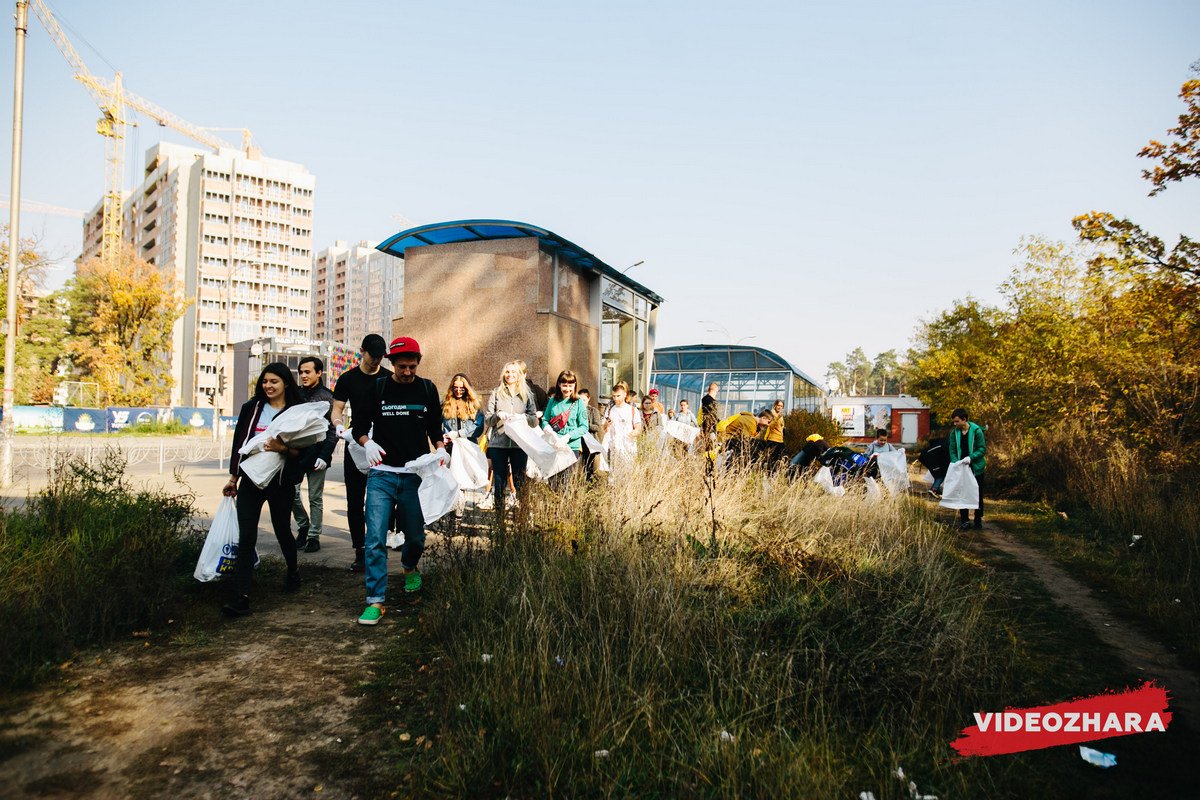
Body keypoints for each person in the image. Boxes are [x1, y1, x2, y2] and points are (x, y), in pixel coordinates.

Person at [351, 336, 444, 625]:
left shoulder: (427, 388)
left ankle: (408, 565)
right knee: (375, 537)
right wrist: (366, 443)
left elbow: (435, 428)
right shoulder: (377, 387)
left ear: (419, 363)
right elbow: (359, 428)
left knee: (415, 536)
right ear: (392, 363)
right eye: (402, 367)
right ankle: (375, 601)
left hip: (415, 474)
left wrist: (441, 450)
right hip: (382, 473)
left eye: (412, 367)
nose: (407, 372)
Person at [221, 363, 317, 617]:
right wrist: (233, 478)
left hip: (280, 482)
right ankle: (241, 596)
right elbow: (239, 443)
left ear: (286, 383)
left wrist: (283, 449)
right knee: (246, 537)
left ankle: (293, 572)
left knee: (282, 530)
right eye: (265, 381)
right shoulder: (251, 409)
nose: (268, 386)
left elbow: (305, 452)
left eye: (274, 381)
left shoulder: (297, 412)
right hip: (251, 481)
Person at [331, 334, 391, 572]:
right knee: (355, 499)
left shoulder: (388, 377)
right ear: (362, 351)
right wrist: (338, 425)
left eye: (380, 356)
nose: (376, 360)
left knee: (382, 499)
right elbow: (337, 408)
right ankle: (360, 550)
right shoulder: (348, 379)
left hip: (383, 444)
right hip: (357, 442)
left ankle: (378, 546)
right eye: (372, 355)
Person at [292, 356, 337, 554]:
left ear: (319, 373)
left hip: (318, 454)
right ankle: (303, 526)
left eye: (307, 371)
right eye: (301, 372)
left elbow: (333, 430)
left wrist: (325, 456)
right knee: (291, 494)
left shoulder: (328, 397)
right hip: (295, 455)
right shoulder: (295, 394)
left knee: (315, 497)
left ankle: (313, 536)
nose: (303, 375)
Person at [485, 361, 539, 514]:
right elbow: (488, 420)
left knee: (520, 481)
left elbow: (534, 421)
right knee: (500, 482)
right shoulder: (496, 393)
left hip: (519, 444)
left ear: (519, 375)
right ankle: (499, 519)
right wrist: (497, 416)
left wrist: (523, 418)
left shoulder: (527, 394)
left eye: (513, 372)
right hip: (498, 444)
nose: (510, 375)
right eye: (507, 372)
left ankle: (523, 517)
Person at [542, 370, 589, 481]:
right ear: (559, 385)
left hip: (571, 448)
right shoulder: (553, 401)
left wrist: (567, 436)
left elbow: (584, 427)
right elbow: (545, 419)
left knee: (567, 483)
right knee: (553, 482)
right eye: (564, 385)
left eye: (570, 385)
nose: (567, 389)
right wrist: (546, 426)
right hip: (554, 446)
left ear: (575, 385)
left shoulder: (578, 402)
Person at [947, 408, 986, 530]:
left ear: (964, 420)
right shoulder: (954, 433)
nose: (955, 424)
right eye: (954, 422)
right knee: (962, 494)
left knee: (977, 493)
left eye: (957, 421)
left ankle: (978, 519)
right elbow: (952, 449)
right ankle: (964, 520)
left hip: (975, 467)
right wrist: (956, 462)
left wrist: (971, 457)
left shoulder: (977, 431)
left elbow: (982, 449)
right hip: (962, 468)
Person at [603, 380, 642, 468]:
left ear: (625, 394)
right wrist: (607, 424)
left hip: (629, 447)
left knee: (629, 473)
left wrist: (633, 433)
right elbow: (605, 429)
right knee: (614, 475)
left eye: (618, 396)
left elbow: (638, 428)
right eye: (614, 396)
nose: (616, 398)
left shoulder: (632, 409)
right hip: (615, 448)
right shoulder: (610, 410)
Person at [441, 373, 485, 446]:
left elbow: (479, 427)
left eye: (462, 388)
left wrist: (459, 434)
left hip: (469, 446)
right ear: (451, 388)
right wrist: (441, 437)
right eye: (455, 387)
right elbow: (434, 424)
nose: (458, 391)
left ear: (467, 389)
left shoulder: (474, 404)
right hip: (450, 446)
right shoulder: (445, 403)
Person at [918, 432, 951, 496]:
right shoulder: (944, 444)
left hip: (931, 461)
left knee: (937, 475)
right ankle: (934, 489)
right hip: (935, 461)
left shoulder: (934, 445)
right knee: (940, 476)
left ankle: (937, 489)